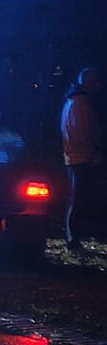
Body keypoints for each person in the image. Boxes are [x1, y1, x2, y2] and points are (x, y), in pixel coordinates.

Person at [61, 67, 103, 250]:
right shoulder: (80, 106)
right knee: (78, 199)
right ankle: (73, 237)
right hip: (81, 158)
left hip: (76, 157)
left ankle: (75, 235)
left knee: (78, 199)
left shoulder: (72, 104)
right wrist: (95, 150)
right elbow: (80, 134)